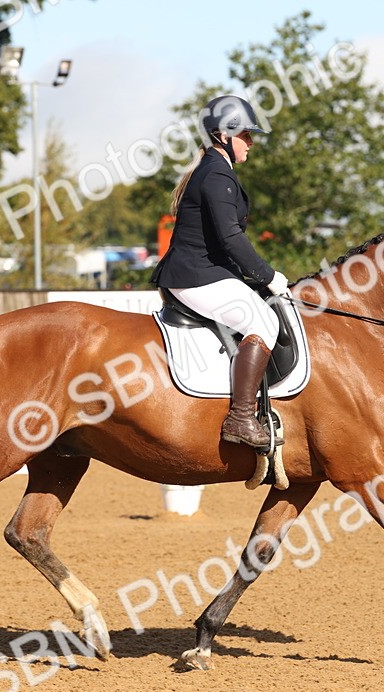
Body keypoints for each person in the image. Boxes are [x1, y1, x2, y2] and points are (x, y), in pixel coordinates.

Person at [150, 94, 290, 449]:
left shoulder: (215, 170)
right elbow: (231, 239)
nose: (252, 142)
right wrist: (267, 276)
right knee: (264, 323)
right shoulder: (216, 176)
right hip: (196, 275)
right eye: (246, 134)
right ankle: (241, 418)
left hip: (204, 271)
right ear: (224, 135)